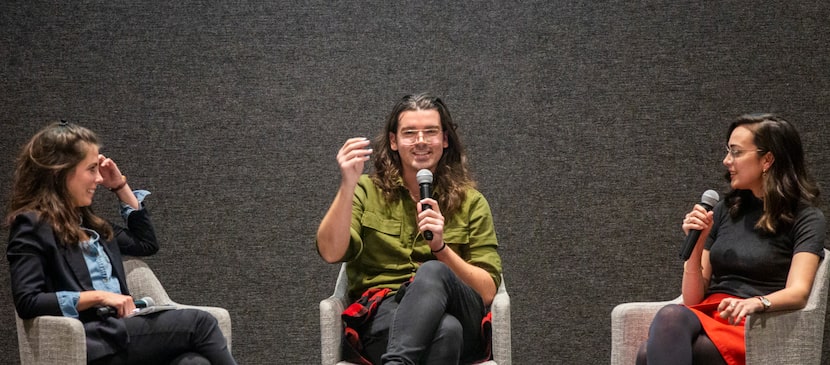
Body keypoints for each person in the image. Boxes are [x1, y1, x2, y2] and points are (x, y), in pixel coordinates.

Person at [6, 121, 237, 365]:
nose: (98, 179)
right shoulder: (32, 225)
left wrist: (119, 186)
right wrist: (99, 297)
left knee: (193, 363)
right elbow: (28, 301)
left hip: (124, 332)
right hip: (93, 338)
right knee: (200, 322)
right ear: (59, 172)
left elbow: (146, 243)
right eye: (91, 169)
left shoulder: (92, 225)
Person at [316, 93, 502, 364]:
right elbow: (331, 252)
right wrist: (347, 185)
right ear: (393, 141)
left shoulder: (471, 202)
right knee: (447, 332)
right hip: (386, 314)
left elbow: (486, 291)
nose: (421, 141)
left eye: (431, 132)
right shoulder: (366, 191)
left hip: (461, 310)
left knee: (435, 270)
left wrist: (441, 248)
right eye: (410, 133)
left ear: (445, 139)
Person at [636, 114, 826, 365]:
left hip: (755, 322)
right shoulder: (726, 209)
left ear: (767, 159)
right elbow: (693, 299)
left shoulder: (806, 218)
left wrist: (756, 303)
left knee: (647, 354)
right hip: (710, 312)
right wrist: (697, 244)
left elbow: (799, 292)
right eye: (727, 152)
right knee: (671, 316)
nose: (727, 161)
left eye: (736, 152)